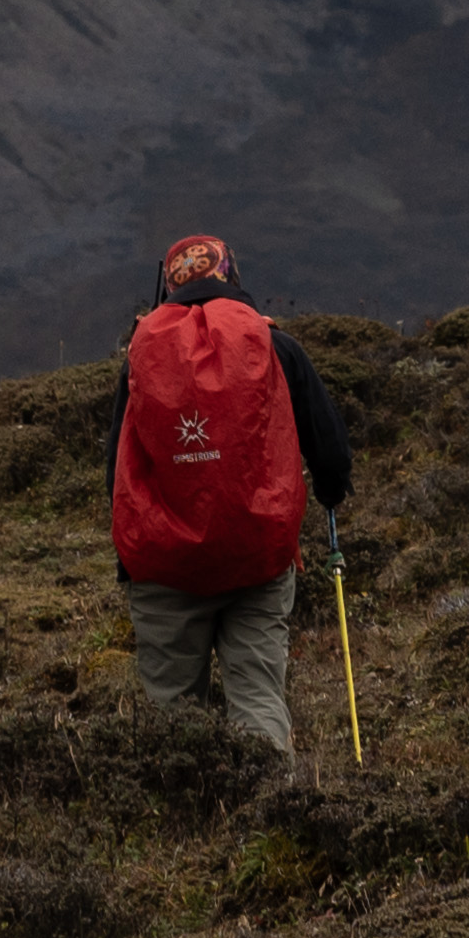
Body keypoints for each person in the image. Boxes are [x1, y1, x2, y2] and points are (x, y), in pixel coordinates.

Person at [110, 234, 355, 755]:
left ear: (168, 287)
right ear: (231, 275)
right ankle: (269, 808)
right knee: (259, 696)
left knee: (173, 713)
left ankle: (184, 818)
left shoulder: (141, 354)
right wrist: (331, 493)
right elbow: (330, 450)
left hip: (164, 565)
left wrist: (130, 556)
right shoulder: (274, 344)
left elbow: (118, 465)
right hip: (257, 556)